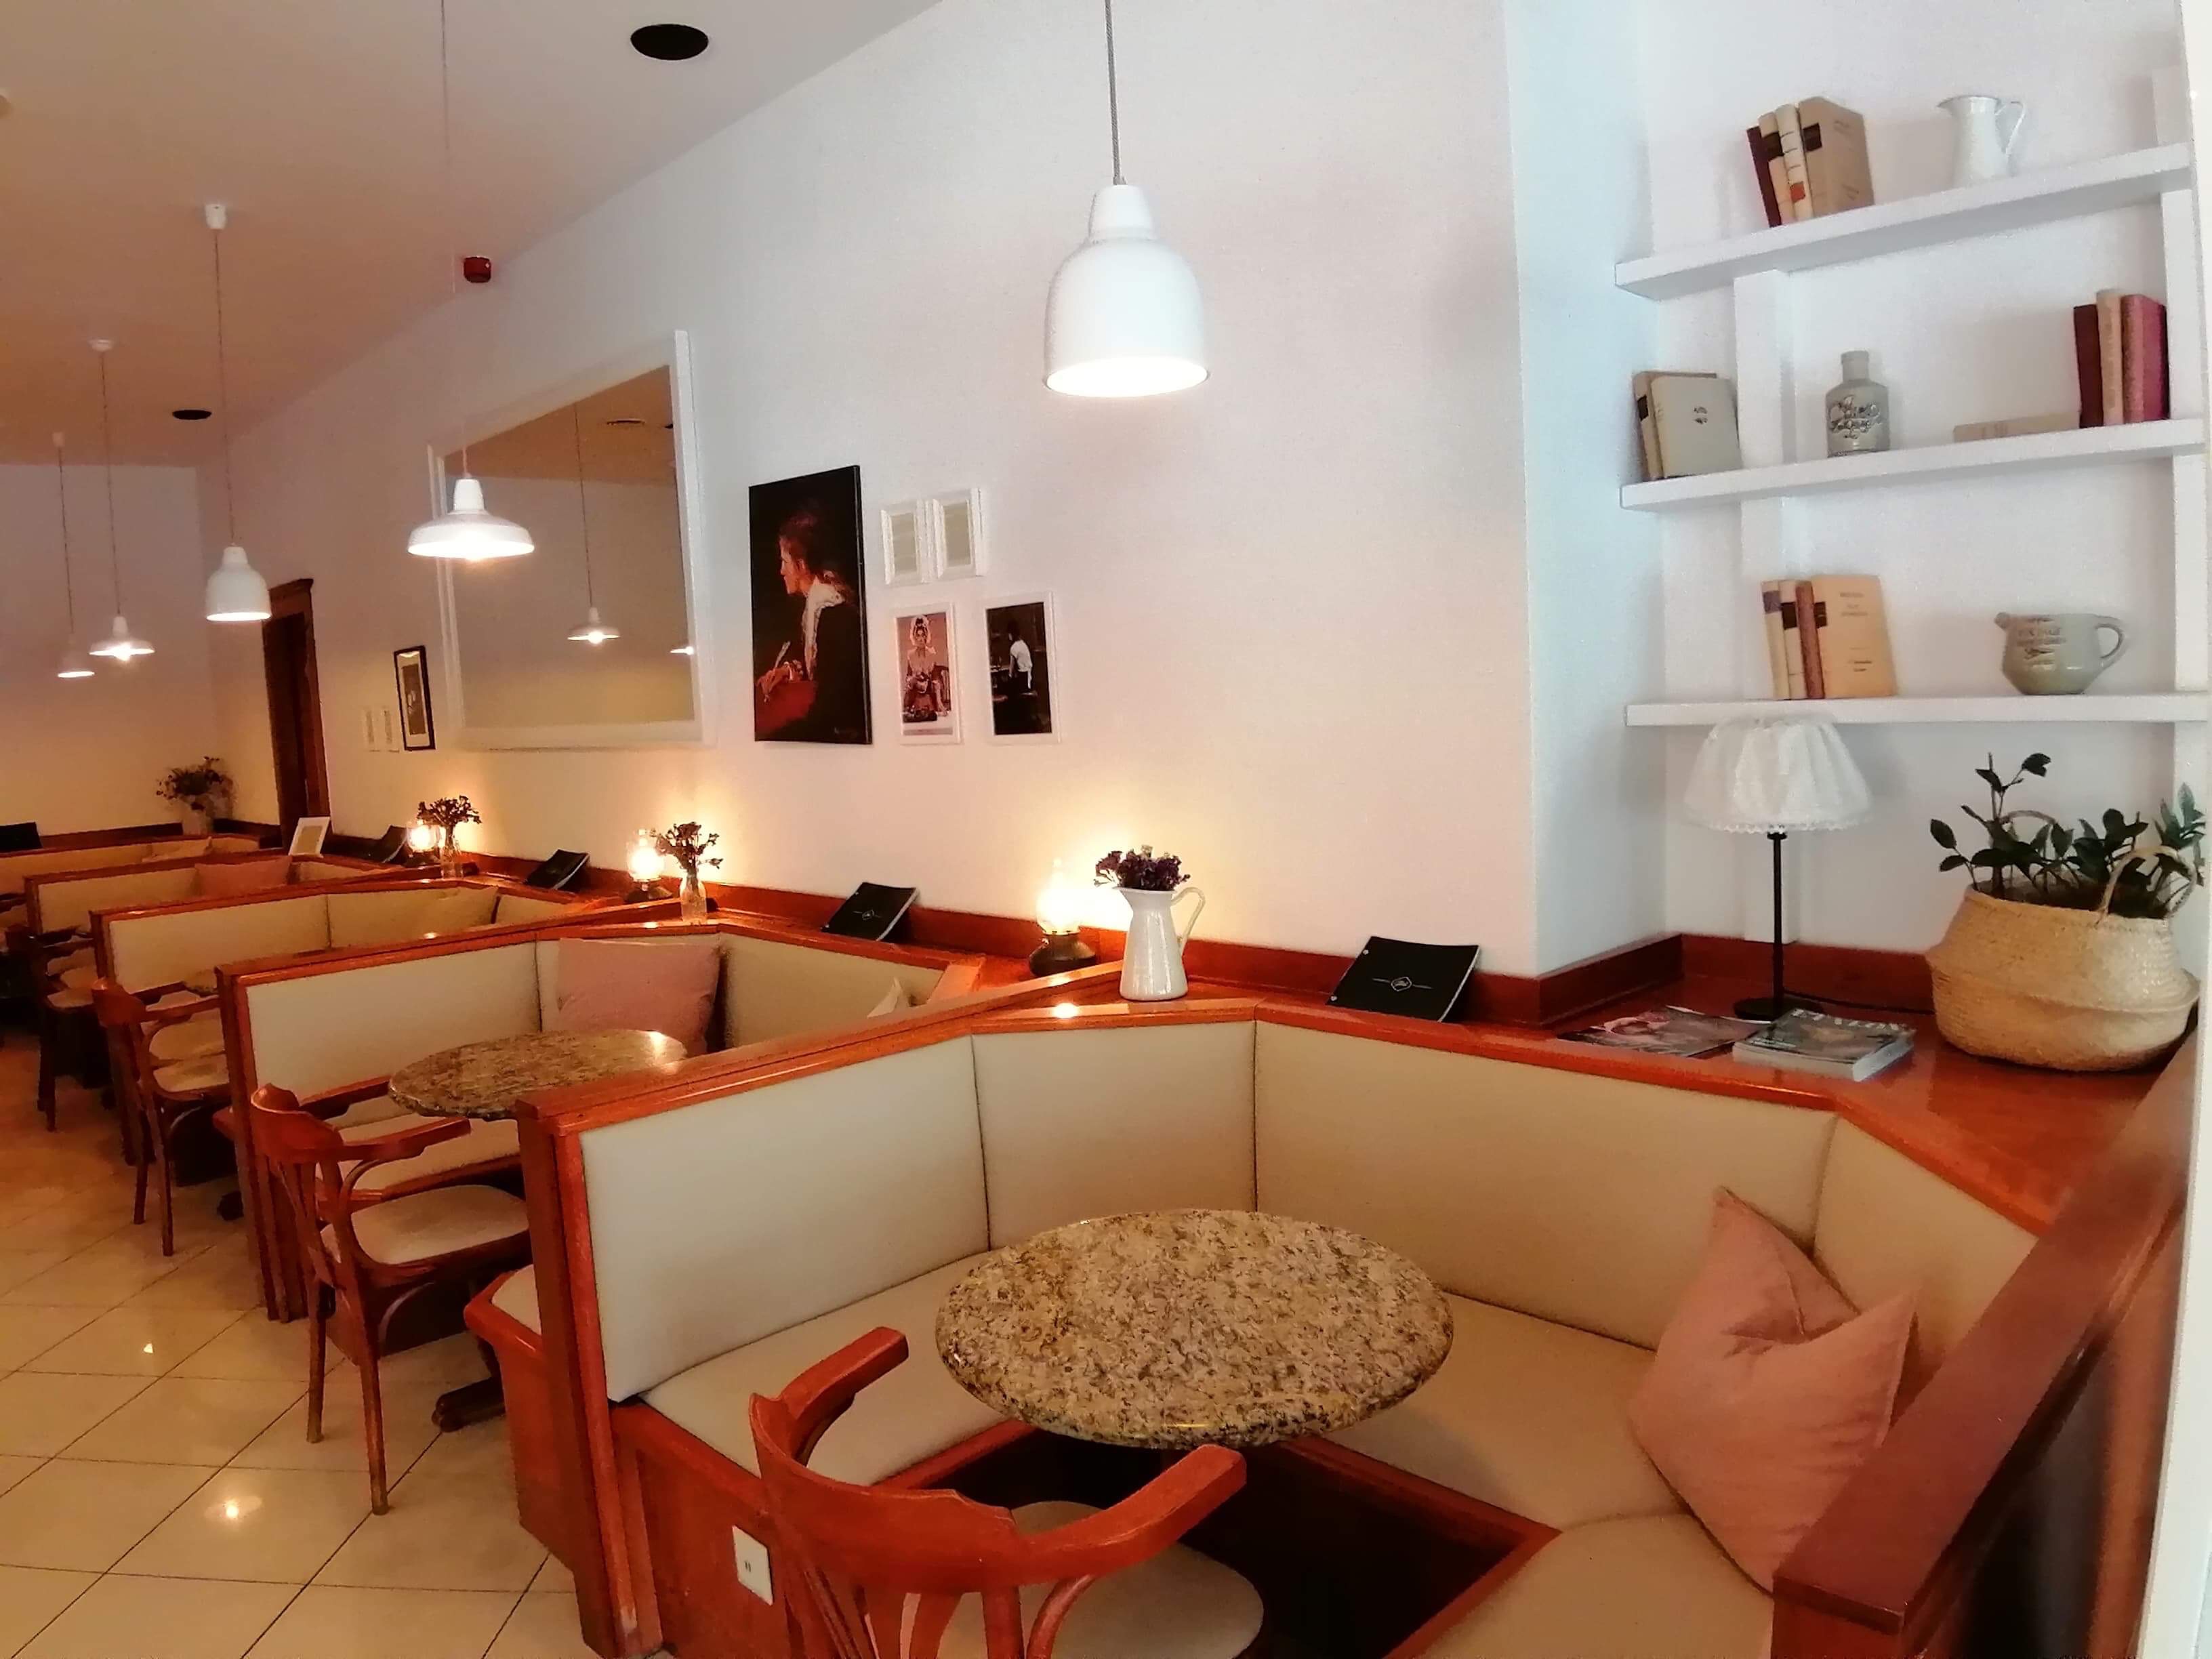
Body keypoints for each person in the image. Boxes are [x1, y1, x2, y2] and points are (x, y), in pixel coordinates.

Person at [756, 506, 865, 741]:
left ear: (802, 565)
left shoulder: (834, 615)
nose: (781, 571)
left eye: (785, 562)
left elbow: (830, 708)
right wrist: (787, 671)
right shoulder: (815, 609)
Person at [901, 615, 949, 724]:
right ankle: (914, 712)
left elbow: (936, 679)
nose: (920, 639)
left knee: (929, 711)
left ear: (926, 636)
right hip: (915, 690)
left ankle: (928, 711)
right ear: (914, 637)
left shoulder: (931, 653)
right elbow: (908, 677)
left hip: (929, 691)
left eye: (923, 635)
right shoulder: (911, 655)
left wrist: (940, 703)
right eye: (918, 636)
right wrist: (913, 679)